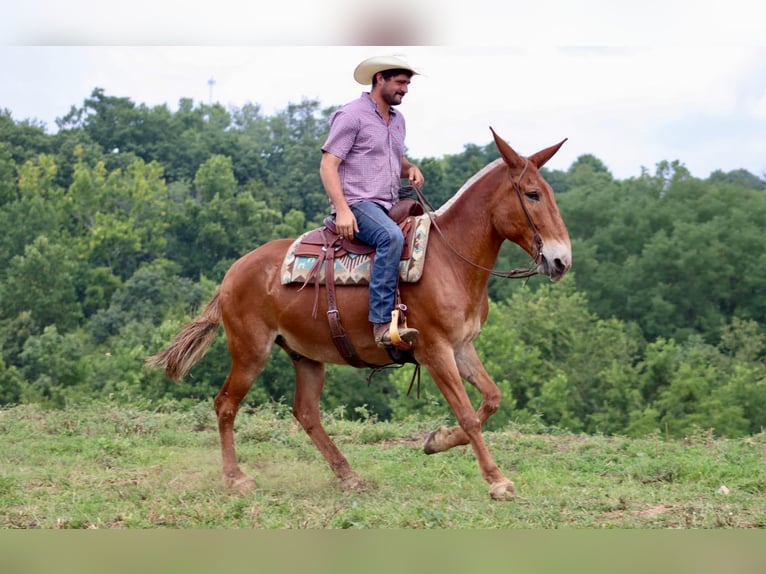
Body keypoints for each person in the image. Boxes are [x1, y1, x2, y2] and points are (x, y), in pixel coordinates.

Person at [319, 55, 425, 348]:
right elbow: (329, 164)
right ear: (380, 78)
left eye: (408, 84)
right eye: (401, 82)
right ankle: (381, 325)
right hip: (358, 203)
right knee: (390, 238)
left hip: (389, 202)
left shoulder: (398, 120)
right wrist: (342, 210)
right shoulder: (351, 115)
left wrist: (410, 168)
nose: (405, 89)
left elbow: (392, 157)